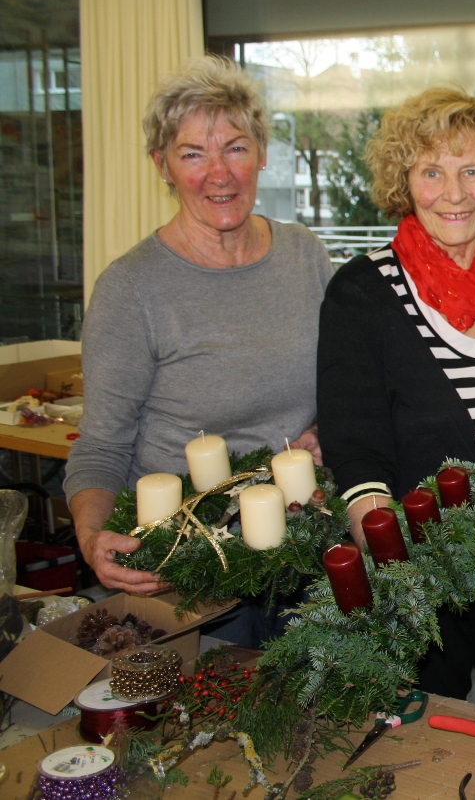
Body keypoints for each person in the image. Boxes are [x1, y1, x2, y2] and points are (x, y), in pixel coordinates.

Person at [66, 56, 332, 643]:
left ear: (262, 153)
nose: (220, 174)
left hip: (302, 549)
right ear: (161, 165)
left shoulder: (304, 255)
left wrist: (324, 430)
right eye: (192, 155)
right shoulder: (131, 288)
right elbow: (101, 444)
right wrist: (92, 537)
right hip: (188, 567)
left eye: (235, 148)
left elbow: (344, 385)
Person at [317, 87, 475, 716]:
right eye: (431, 172)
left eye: (471, 170)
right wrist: (392, 567)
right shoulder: (361, 291)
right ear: (404, 182)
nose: (453, 193)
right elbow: (355, 448)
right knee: (425, 735)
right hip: (420, 569)